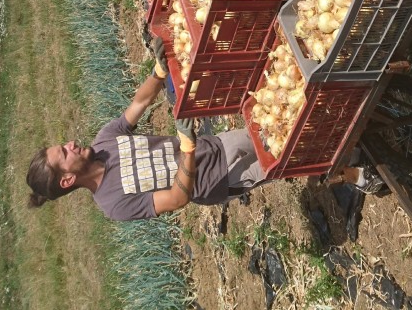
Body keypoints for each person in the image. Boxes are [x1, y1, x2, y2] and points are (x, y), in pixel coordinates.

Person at [25, 36, 266, 221]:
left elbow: (139, 102)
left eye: (63, 145)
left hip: (217, 145)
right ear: (67, 180)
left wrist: (159, 72)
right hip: (222, 179)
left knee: (270, 130)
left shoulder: (105, 141)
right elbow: (176, 199)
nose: (71, 145)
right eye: (65, 153)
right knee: (281, 158)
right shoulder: (114, 204)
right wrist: (187, 148)